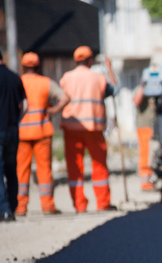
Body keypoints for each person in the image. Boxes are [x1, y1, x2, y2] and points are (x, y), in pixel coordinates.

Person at [59, 46, 117, 212]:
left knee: (74, 167)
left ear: (76, 61)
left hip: (71, 128)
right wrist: (110, 69)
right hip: (94, 128)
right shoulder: (99, 78)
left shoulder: (66, 78)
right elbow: (114, 90)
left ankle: (79, 205)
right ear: (90, 61)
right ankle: (103, 203)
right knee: (99, 165)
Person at [15, 53, 70, 216]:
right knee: (44, 169)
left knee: (21, 170)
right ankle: (47, 206)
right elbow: (65, 97)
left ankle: (20, 206)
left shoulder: (18, 82)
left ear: (23, 67)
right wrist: (53, 110)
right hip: (42, 131)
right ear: (38, 67)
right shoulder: (45, 83)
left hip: (22, 132)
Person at [132, 64, 162, 191]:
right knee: (145, 154)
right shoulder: (141, 88)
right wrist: (144, 85)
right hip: (145, 126)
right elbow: (136, 100)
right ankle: (146, 182)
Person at [0, 49, 28, 221]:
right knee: (11, 169)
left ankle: (4, 210)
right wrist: (17, 121)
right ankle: (13, 205)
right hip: (13, 130)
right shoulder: (15, 77)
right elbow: (25, 105)